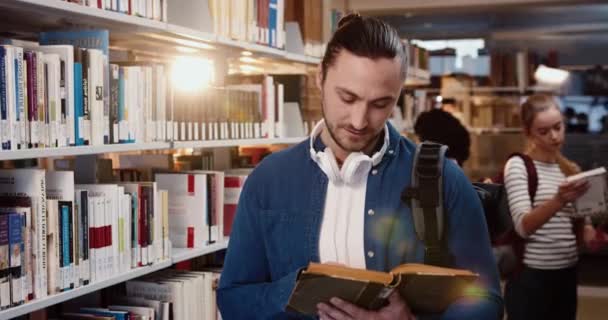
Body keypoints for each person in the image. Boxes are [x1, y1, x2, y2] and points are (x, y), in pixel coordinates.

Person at [218, 13, 502, 320]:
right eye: (347, 97)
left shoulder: (446, 178)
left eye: (381, 104)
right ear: (320, 77)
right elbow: (234, 299)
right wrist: (300, 288)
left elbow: (487, 298)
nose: (359, 120)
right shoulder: (268, 179)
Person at [503, 94, 606, 320]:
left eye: (558, 127)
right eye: (544, 131)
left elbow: (582, 224)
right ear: (528, 132)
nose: (554, 136)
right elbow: (523, 226)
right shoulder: (519, 166)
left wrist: (591, 234)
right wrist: (559, 200)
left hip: (567, 273)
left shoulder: (570, 169)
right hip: (532, 277)